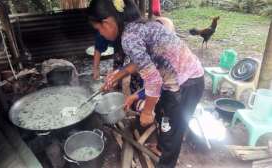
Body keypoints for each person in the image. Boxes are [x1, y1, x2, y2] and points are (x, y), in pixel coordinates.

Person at [87, 0, 204, 167]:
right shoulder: (139, 26)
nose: (101, 34)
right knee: (164, 115)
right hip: (179, 80)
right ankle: (161, 146)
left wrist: (147, 112)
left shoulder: (128, 37)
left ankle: (166, 160)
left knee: (172, 132)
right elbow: (144, 64)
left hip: (185, 85)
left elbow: (154, 80)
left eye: (99, 29)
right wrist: (122, 79)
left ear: (106, 22)